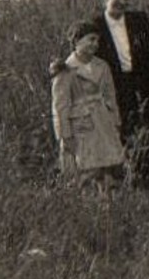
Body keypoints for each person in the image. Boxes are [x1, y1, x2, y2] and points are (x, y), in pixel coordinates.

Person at [95, 0, 149, 184]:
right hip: (112, 88)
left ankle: (143, 184)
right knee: (117, 135)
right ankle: (119, 183)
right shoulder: (95, 24)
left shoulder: (138, 20)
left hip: (138, 86)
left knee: (144, 135)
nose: (122, 2)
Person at [50, 20, 125, 183]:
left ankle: (106, 200)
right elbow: (60, 107)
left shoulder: (102, 66)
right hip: (80, 126)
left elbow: (110, 96)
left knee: (107, 167)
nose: (95, 44)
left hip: (103, 122)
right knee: (84, 169)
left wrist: (115, 121)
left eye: (97, 40)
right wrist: (64, 135)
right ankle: (84, 202)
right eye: (91, 39)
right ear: (77, 41)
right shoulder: (65, 70)